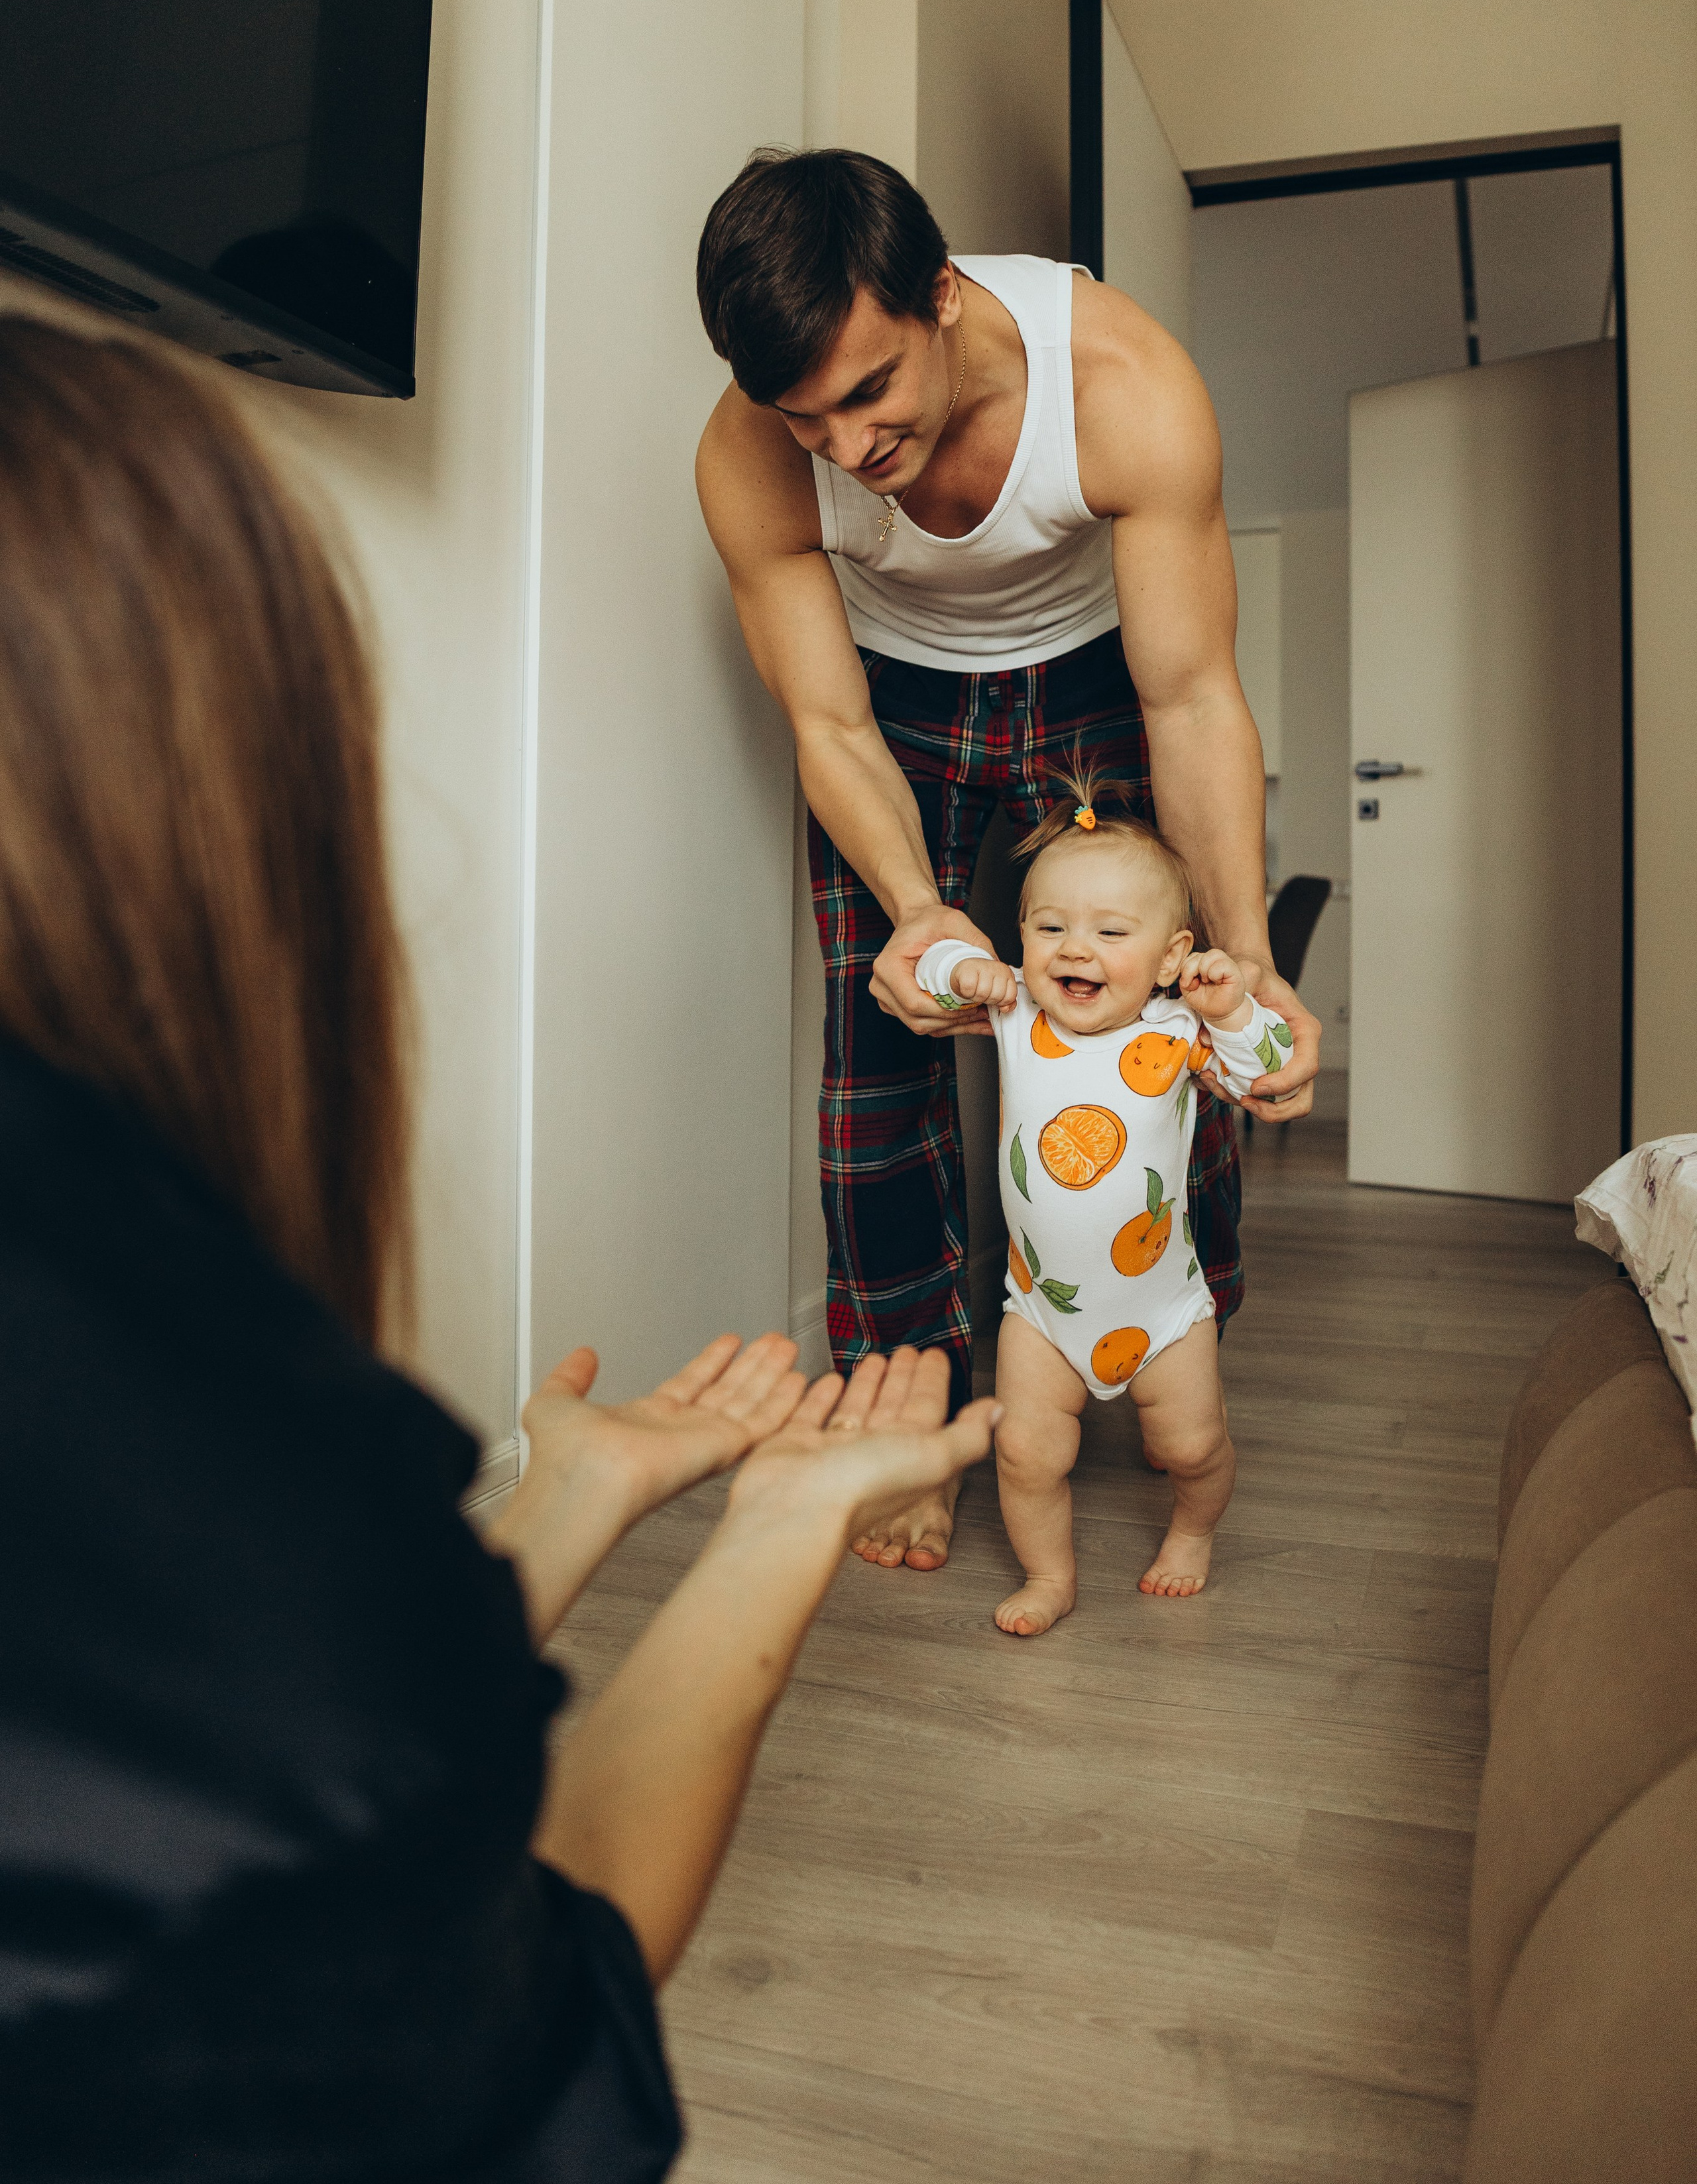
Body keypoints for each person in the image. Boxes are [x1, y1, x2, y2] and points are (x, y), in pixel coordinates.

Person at [0, 316, 998, 2183]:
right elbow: (529, 2050)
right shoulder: (211, 1447)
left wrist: (561, 1506)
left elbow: (291, 1785)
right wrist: (776, 1528)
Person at [695, 148, 1319, 1576]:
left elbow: (1190, 696)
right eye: (805, 418)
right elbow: (827, 721)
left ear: (941, 295)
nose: (844, 445)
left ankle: (1162, 1337)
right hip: (893, 697)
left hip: (1102, 665)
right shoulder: (746, 453)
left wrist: (1247, 961)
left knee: (1175, 1004)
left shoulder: (1119, 382)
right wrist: (919, 909)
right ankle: (908, 1429)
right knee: (878, 1051)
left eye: (870, 394)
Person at [912, 769, 1289, 1635]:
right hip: (1041, 1308)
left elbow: (1265, 1066)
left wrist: (1235, 1008)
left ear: (1170, 956)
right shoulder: (1015, 1010)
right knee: (1024, 1452)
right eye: (1050, 927)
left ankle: (1193, 1531)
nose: (1075, 949)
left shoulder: (1180, 1030)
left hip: (1163, 1310)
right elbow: (929, 974)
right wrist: (962, 966)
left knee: (1192, 1446)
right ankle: (1049, 1575)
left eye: (1110, 932)